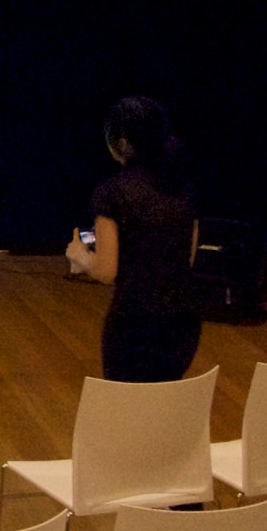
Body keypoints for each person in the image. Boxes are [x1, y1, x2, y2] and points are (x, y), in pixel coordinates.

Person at [65, 97, 201, 382]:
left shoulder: (113, 193)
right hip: (183, 324)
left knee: (127, 410)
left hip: (134, 323)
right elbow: (186, 258)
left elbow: (106, 270)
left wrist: (80, 255)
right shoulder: (182, 186)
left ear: (122, 142)